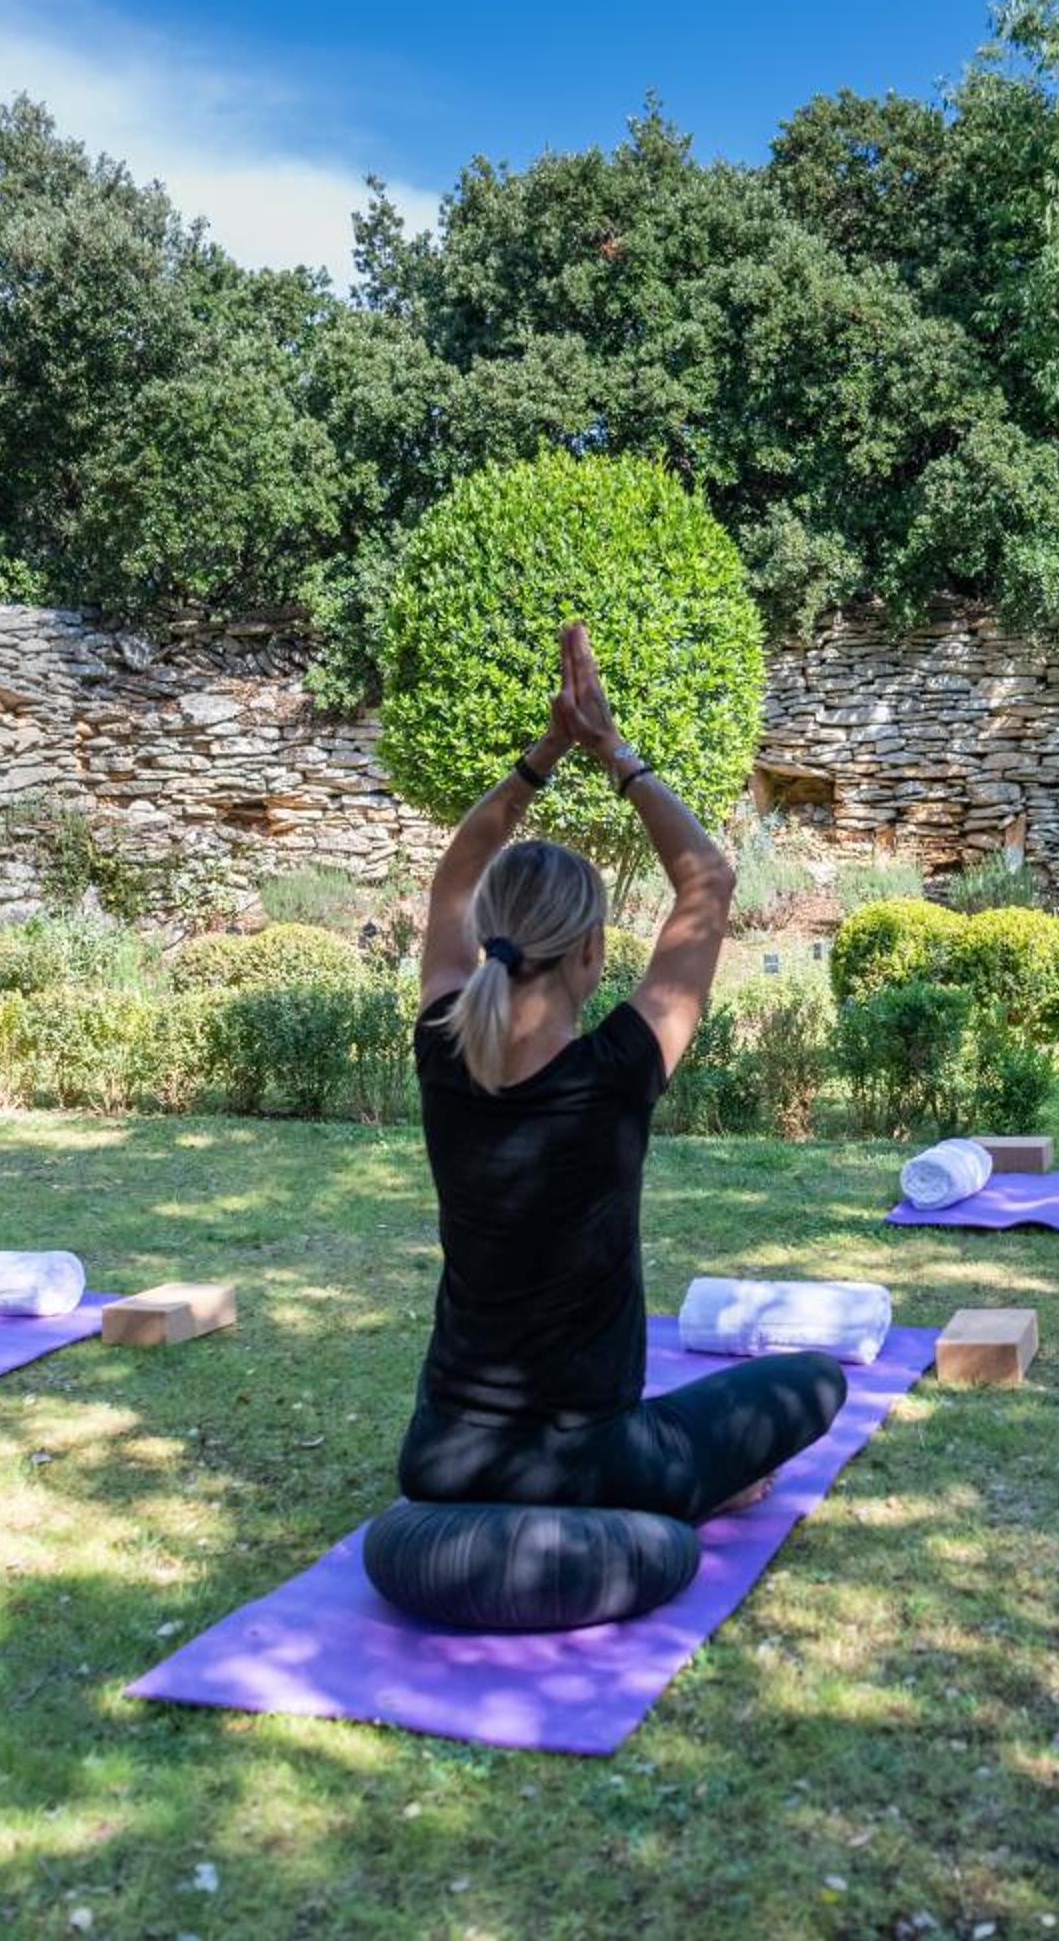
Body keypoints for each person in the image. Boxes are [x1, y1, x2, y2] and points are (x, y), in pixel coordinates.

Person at [394, 624, 845, 1520]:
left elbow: (451, 879)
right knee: (813, 1382)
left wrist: (543, 756)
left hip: (441, 1454)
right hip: (593, 1461)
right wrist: (611, 749)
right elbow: (707, 881)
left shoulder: (444, 1049)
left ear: (489, 938)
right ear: (592, 952)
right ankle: (703, 1485)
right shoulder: (617, 1074)